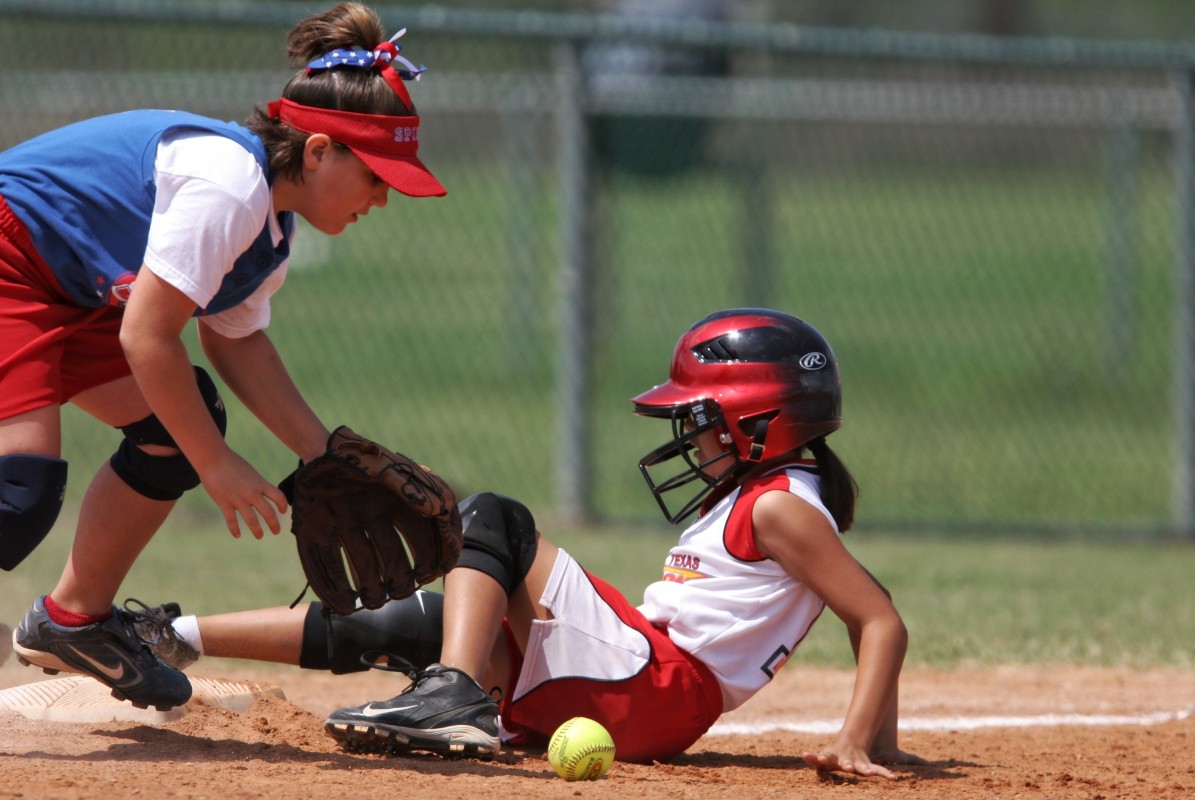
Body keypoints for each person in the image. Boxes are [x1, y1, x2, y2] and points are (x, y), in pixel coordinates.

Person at [144, 308, 923, 779]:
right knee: (424, 617)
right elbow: (873, 612)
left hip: (656, 684)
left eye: (703, 419)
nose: (691, 435)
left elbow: (880, 619)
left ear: (760, 422)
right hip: (644, 683)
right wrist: (881, 747)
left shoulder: (783, 509)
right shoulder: (770, 500)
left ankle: (454, 693)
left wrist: (855, 744)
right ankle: (168, 636)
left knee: (495, 519)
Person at [0, 2, 445, 712]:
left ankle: (71, 620)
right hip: (12, 256)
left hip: (63, 286)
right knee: (16, 498)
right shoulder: (230, 186)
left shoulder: (270, 233)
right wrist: (216, 465)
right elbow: (146, 337)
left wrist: (323, 453)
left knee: (178, 425)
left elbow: (233, 340)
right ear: (321, 150)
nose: (384, 198)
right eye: (376, 174)